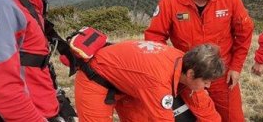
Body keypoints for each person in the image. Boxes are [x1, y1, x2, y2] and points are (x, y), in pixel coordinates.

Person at [144, 0, 254, 122]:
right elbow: (154, 37)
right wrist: (173, 71)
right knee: (195, 117)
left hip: (221, 75)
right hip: (189, 76)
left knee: (233, 118)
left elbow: (245, 32)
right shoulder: (171, 1)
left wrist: (236, 66)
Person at [74, 40, 225, 122]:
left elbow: (204, 107)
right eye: (206, 81)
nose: (208, 86)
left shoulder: (185, 63)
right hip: (96, 80)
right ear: (191, 74)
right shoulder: (158, 81)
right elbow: (163, 119)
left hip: (132, 84)